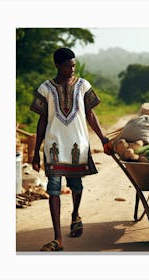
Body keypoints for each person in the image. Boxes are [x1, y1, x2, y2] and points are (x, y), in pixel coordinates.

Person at [30, 47, 113, 251]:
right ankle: (58, 238)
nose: (73, 69)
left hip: (78, 144)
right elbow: (42, 121)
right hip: (54, 146)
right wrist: (35, 153)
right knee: (54, 190)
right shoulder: (45, 89)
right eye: (69, 65)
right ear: (58, 65)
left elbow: (90, 114)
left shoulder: (83, 85)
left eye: (74, 65)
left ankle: (75, 214)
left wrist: (103, 139)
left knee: (76, 186)